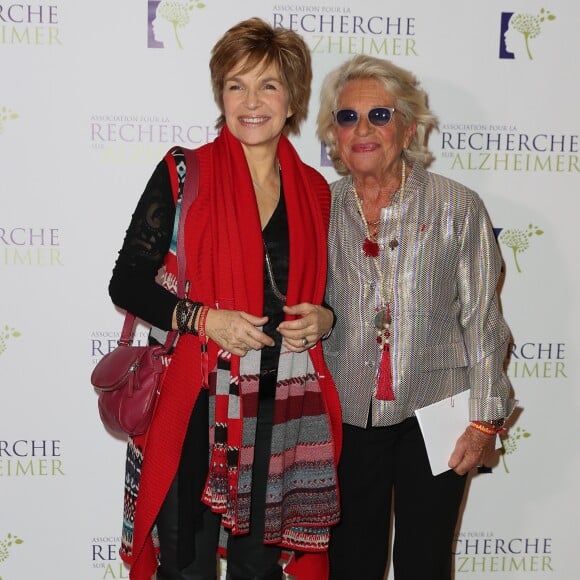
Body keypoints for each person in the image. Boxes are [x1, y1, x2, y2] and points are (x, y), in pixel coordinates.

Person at [108, 17, 341, 580]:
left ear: (292, 100)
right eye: (236, 85)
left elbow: (328, 295)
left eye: (268, 85)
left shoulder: (314, 190)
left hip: (278, 409)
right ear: (221, 95)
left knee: (258, 570)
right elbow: (127, 282)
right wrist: (204, 319)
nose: (251, 101)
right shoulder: (184, 173)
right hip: (195, 403)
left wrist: (324, 319)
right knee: (184, 566)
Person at [316, 54, 516, 580]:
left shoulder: (458, 205)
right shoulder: (318, 207)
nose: (362, 129)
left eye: (379, 116)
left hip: (438, 415)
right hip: (346, 414)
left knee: (424, 563)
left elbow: (483, 319)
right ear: (332, 134)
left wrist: (484, 419)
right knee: (350, 563)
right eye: (347, 117)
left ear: (407, 128)